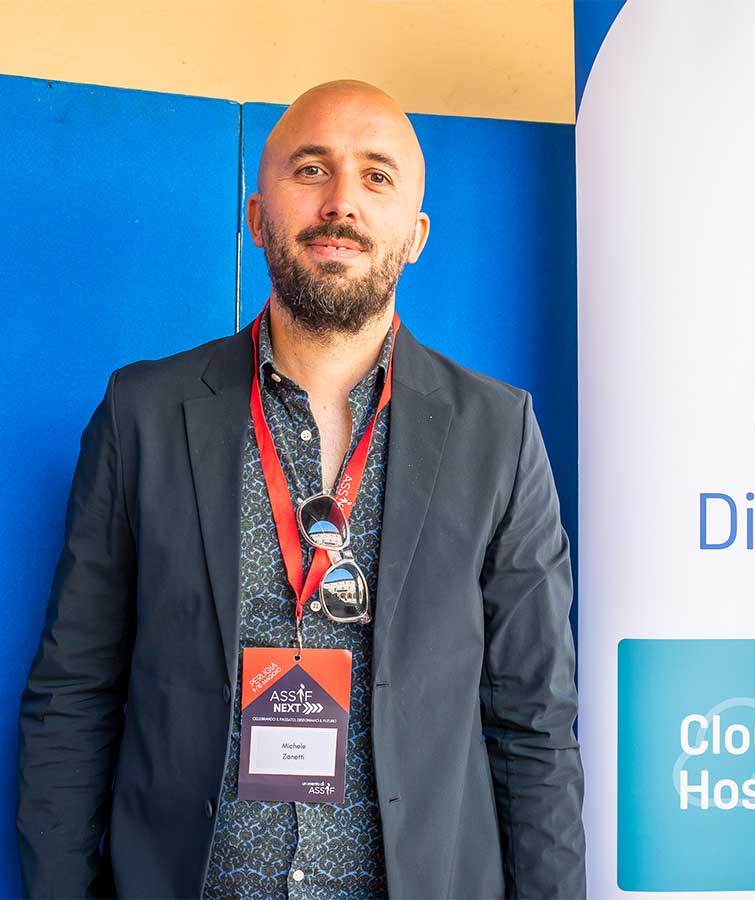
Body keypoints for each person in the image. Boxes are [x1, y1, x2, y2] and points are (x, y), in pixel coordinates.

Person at [16, 80, 586, 899]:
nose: (341, 200)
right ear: (257, 217)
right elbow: (73, 696)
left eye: (376, 176)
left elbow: (535, 725)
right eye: (311, 169)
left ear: (416, 235)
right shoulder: (141, 415)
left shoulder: (498, 434)